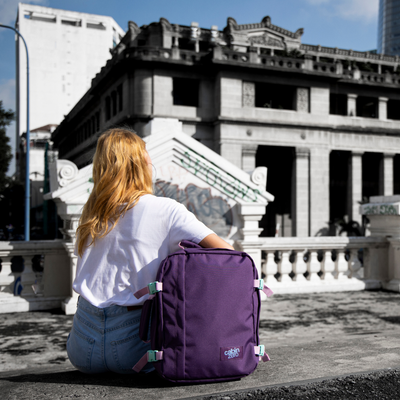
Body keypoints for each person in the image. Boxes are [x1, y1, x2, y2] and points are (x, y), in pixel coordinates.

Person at [66, 128, 233, 374]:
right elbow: (227, 253)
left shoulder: (91, 212)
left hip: (81, 346)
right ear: (142, 162)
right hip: (135, 346)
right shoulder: (166, 209)